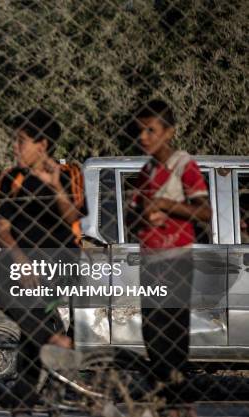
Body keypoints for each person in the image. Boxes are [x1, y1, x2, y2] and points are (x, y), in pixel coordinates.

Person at [0, 108, 86, 417]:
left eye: (21, 141)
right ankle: (33, 391)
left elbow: (74, 219)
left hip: (62, 263)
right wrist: (22, 261)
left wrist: (54, 185)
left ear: (43, 145)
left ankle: (25, 399)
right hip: (25, 263)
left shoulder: (70, 173)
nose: (15, 147)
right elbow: (2, 230)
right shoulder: (10, 178)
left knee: (32, 324)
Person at [128, 100, 211, 416]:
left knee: (173, 331)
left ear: (169, 132)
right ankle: (167, 400)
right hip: (150, 261)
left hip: (176, 259)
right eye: (140, 131)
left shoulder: (182, 165)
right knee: (153, 332)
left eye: (151, 130)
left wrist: (167, 206)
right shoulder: (145, 172)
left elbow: (204, 211)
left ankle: (178, 401)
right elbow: (132, 218)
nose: (144, 137)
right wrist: (144, 218)